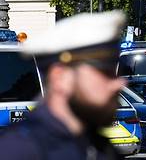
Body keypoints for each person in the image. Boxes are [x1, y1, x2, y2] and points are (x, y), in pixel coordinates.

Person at [0, 11, 127, 160]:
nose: (119, 83)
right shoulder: (18, 150)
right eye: (105, 72)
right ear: (60, 77)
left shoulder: (102, 149)